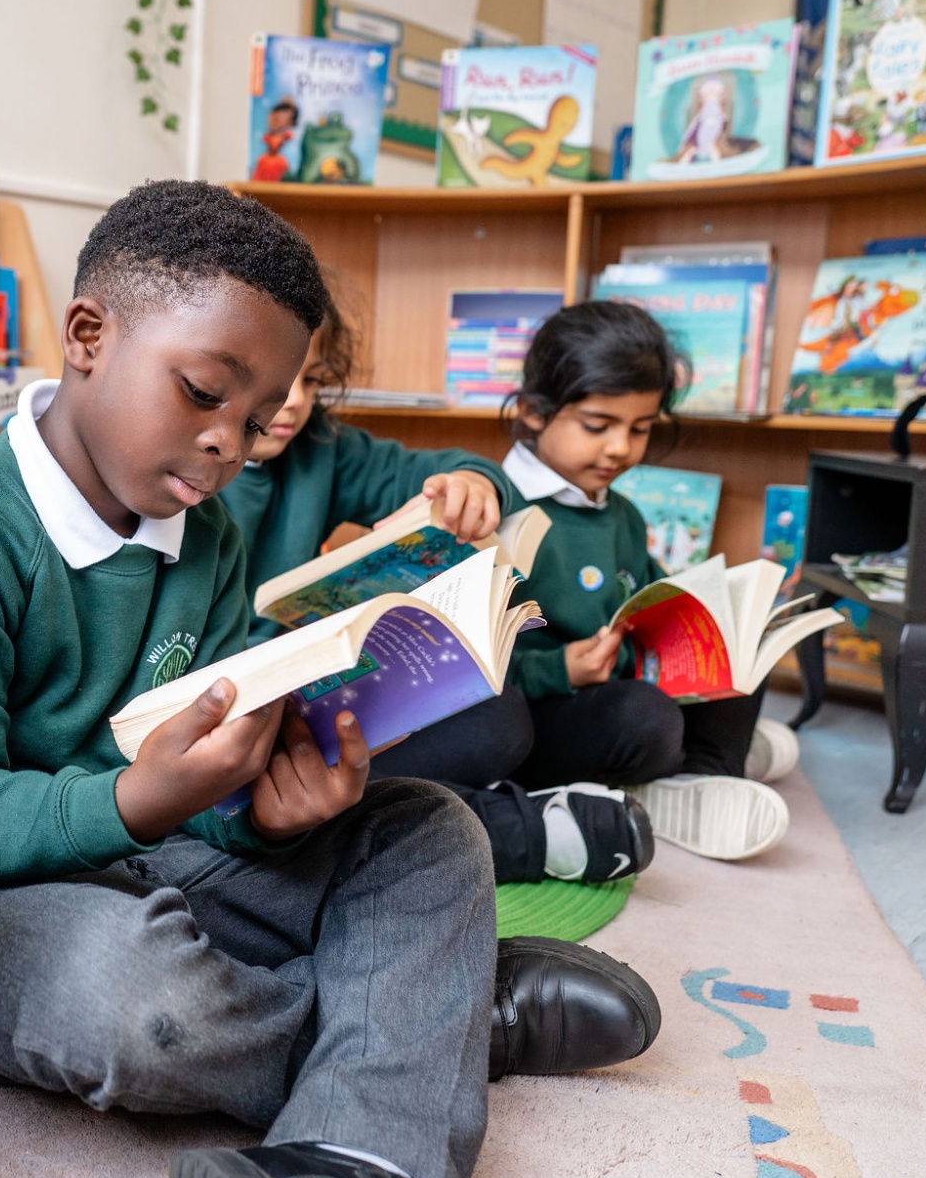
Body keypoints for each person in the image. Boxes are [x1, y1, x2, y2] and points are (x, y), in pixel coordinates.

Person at [0, 180, 661, 1178]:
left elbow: (204, 777)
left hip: (148, 845)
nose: (230, 441)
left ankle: (362, 1157)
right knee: (134, 998)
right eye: (202, 393)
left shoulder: (206, 533)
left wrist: (259, 817)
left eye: (262, 419)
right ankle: (434, 1025)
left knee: (424, 828)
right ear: (87, 335)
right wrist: (134, 800)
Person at [220, 300, 653, 887]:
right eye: (273, 375)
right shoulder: (176, 472)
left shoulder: (320, 447)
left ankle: (458, 817)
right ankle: (514, 830)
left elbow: (447, 467)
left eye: (314, 379)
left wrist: (473, 484)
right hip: (228, 745)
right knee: (263, 810)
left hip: (305, 716)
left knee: (496, 719)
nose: (294, 399)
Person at [501, 300, 797, 861]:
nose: (621, 448)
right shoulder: (501, 512)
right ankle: (696, 766)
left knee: (742, 644)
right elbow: (468, 663)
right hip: (545, 714)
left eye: (640, 429)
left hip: (622, 679)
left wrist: (715, 616)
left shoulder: (623, 514)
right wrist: (558, 669)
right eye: (598, 426)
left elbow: (651, 597)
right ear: (533, 412)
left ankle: (703, 774)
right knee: (644, 717)